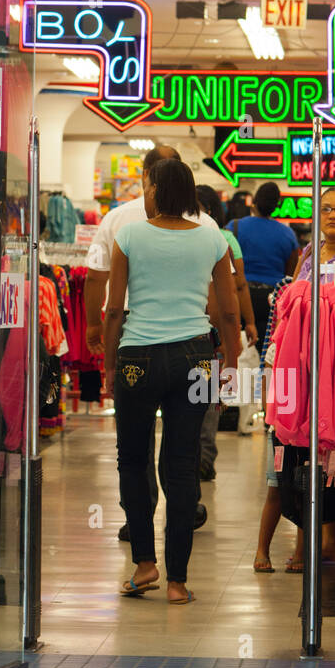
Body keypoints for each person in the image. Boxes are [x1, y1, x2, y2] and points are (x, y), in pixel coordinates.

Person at [104, 158, 240, 605]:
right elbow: (227, 309)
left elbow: (114, 310)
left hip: (137, 358)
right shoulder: (213, 238)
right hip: (196, 357)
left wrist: (110, 366)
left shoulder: (128, 235)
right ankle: (178, 582)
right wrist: (231, 361)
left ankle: (145, 563)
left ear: (157, 190)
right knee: (181, 464)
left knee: (133, 458)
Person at [85, 145, 217, 537]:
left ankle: (138, 522)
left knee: (134, 442)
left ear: (146, 178)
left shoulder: (117, 221)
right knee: (184, 439)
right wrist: (222, 346)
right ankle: (185, 507)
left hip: (132, 336)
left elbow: (96, 276)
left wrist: (97, 332)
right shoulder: (206, 225)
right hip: (193, 341)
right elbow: (220, 295)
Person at [254, 186, 335, 572]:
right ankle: (325, 539)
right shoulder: (309, 253)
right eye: (326, 209)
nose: (333, 216)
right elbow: (291, 303)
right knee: (314, 449)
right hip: (306, 364)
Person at [195, 184, 259, 476]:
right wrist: (248, 322)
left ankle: (189, 458)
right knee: (206, 391)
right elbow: (239, 284)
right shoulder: (226, 238)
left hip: (186, 325)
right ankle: (204, 457)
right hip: (213, 326)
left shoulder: (171, 233)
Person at [230, 181, 300, 347]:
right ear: (276, 206)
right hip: (272, 299)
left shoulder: (235, 227)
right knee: (267, 354)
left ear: (254, 201)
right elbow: (291, 275)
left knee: (238, 354)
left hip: (240, 297)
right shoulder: (287, 234)